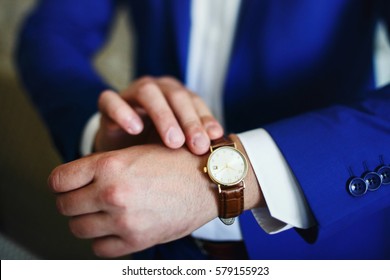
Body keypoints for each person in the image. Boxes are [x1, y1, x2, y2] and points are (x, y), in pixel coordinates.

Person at [16, 0, 390, 259]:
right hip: (154, 244)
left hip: (328, 244)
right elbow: (50, 34)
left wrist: (232, 179)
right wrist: (102, 129)